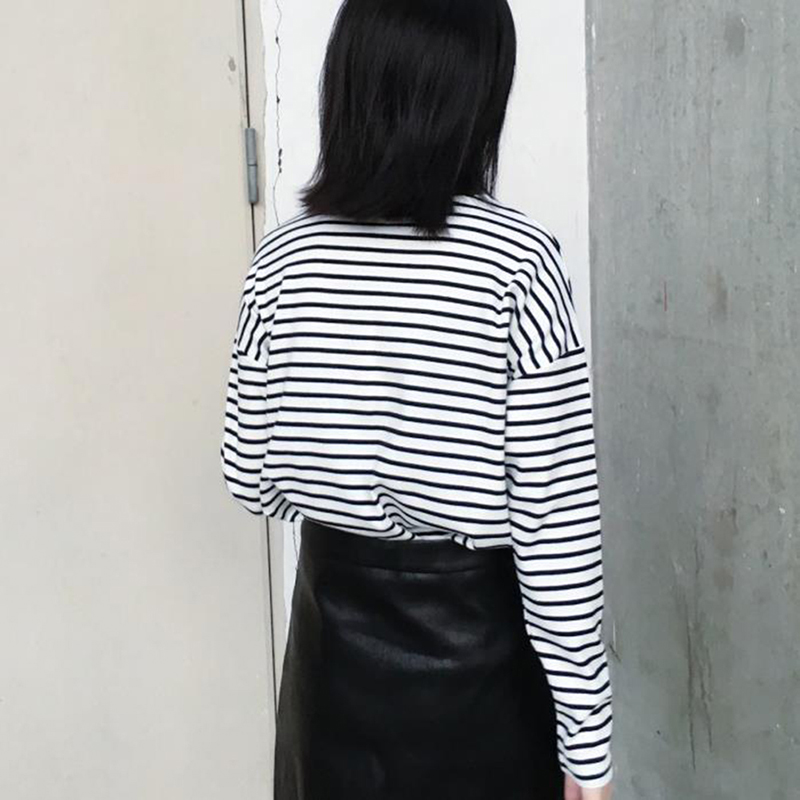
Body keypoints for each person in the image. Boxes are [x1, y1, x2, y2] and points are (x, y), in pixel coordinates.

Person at [220, 1, 614, 798]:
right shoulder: (518, 264)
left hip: (329, 672)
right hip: (477, 681)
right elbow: (556, 534)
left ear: (350, 82)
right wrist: (589, 749)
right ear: (475, 96)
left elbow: (249, 478)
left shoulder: (282, 259)